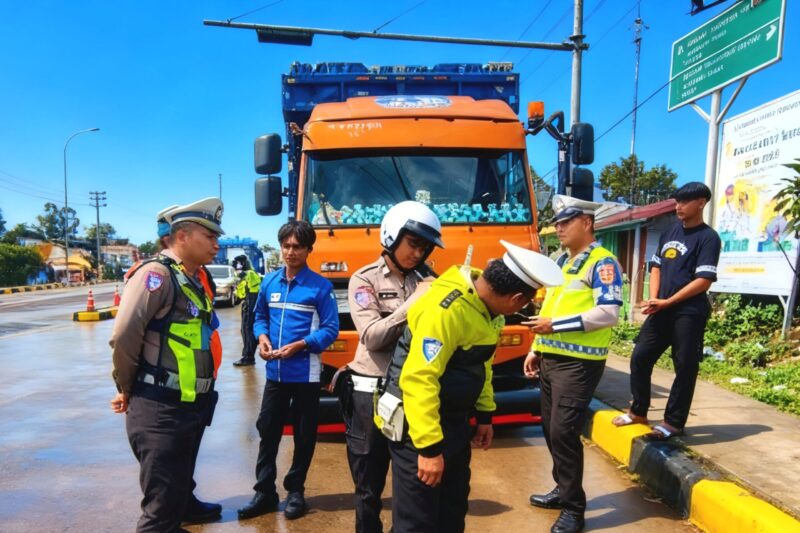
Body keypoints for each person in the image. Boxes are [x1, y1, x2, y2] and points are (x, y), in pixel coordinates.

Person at [380, 240, 563, 533]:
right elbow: (418, 379)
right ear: (516, 298)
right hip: (417, 429)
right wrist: (428, 450)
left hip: (454, 423)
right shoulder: (446, 310)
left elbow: (483, 365)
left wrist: (485, 415)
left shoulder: (491, 312)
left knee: (451, 513)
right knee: (417, 522)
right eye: (525, 303)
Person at [109, 197, 225, 532]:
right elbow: (124, 336)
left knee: (174, 494)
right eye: (210, 236)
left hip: (187, 404)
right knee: (159, 513)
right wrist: (126, 388)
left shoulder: (192, 278)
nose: (217, 244)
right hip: (160, 408)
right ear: (183, 235)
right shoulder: (156, 276)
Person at [342, 201, 444, 533]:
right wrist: (416, 302)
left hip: (410, 394)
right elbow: (371, 337)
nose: (419, 253)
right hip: (370, 391)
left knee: (410, 482)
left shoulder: (429, 279)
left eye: (425, 247)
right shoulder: (364, 279)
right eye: (413, 243)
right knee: (368, 484)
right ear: (391, 236)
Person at [525, 194, 624, 533]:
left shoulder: (603, 262)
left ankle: (573, 510)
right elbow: (551, 307)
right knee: (550, 430)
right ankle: (562, 488)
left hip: (578, 364)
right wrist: (536, 347)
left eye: (566, 222)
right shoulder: (563, 262)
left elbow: (608, 313)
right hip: (551, 359)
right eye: (557, 222)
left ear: (587, 222)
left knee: (564, 432)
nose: (559, 227)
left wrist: (553, 327)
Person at [238, 220, 339, 521]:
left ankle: (296, 491)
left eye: (297, 247)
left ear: (309, 249)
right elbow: (259, 318)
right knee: (267, 430)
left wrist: (302, 345)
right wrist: (262, 338)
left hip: (306, 376)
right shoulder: (269, 282)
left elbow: (331, 329)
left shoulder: (320, 287)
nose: (291, 252)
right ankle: (265, 493)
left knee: (304, 435)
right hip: (275, 376)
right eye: (286, 246)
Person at [613, 182, 721, 442]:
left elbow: (703, 280)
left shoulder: (708, 238)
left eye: (684, 202)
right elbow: (657, 266)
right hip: (662, 309)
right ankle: (639, 411)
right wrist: (655, 298)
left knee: (684, 366)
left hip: (689, 312)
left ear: (701, 203)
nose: (678, 207)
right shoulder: (671, 231)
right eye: (676, 202)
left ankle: (673, 421)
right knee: (640, 357)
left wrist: (669, 301)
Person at [232, 254, 262, 367]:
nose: (236, 265)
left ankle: (248, 357)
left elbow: (252, 288)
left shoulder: (249, 273)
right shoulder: (247, 273)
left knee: (247, 330)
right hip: (248, 301)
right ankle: (248, 356)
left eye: (238, 262)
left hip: (250, 300)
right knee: (245, 330)